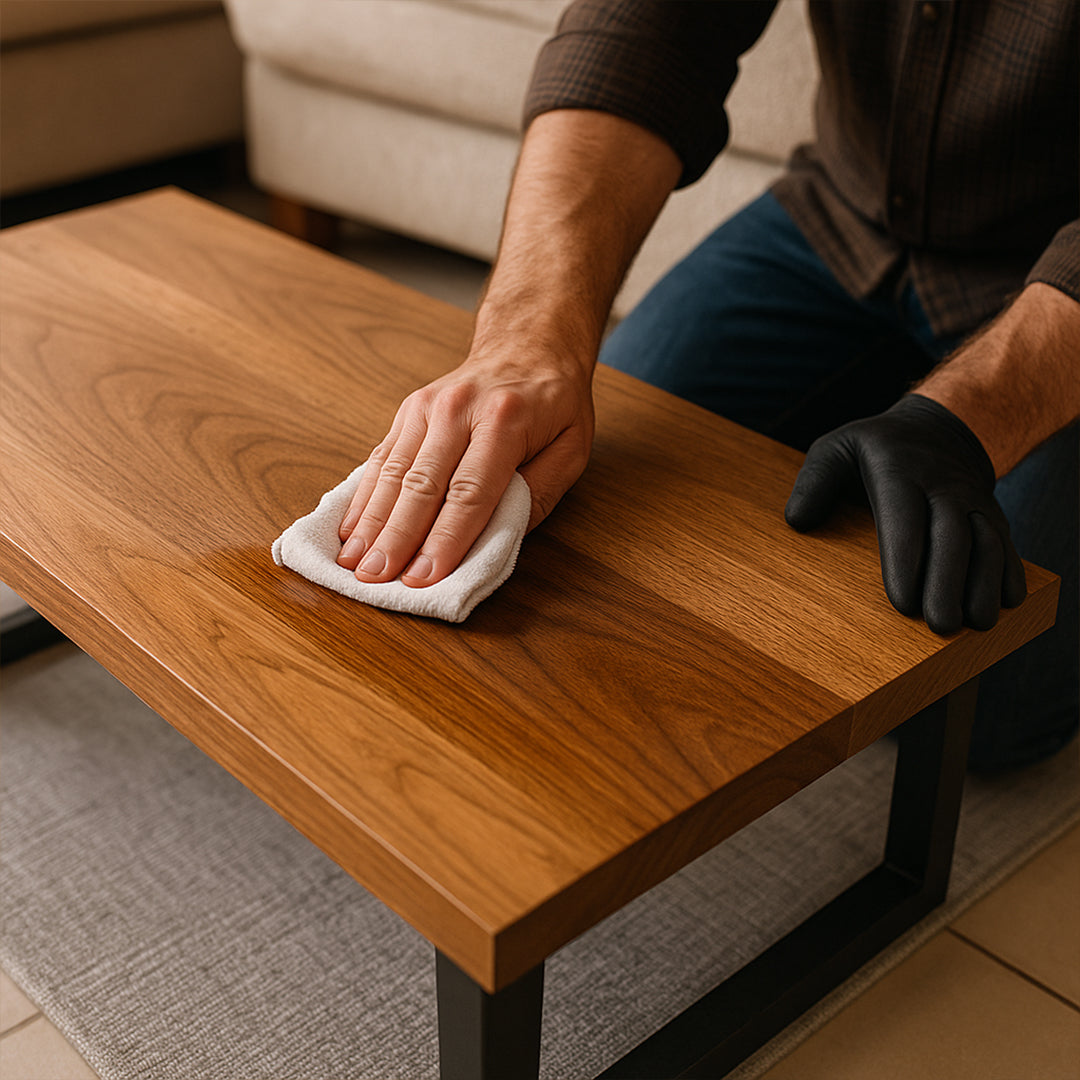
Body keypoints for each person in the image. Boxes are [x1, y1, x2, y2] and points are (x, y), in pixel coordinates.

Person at [336, 0, 1079, 771]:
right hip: (843, 222)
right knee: (577, 514)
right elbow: (644, 30)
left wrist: (970, 416)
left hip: (1054, 278)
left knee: (976, 708)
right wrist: (526, 337)